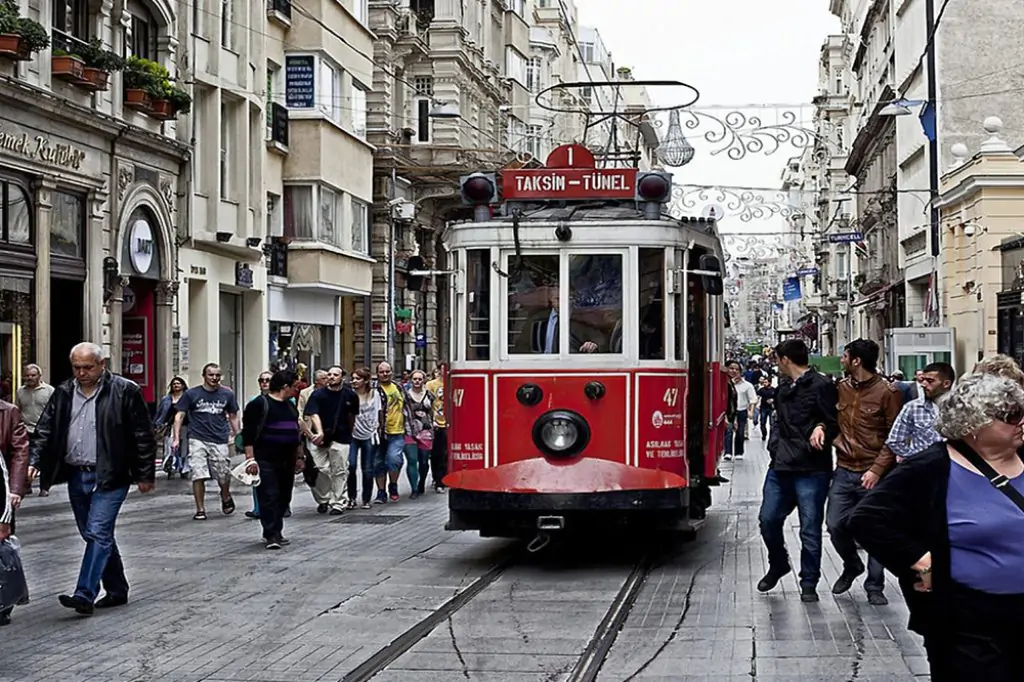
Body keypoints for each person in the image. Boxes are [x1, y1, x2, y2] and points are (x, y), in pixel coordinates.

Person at [851, 372, 1024, 681]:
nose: (1021, 421)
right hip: (967, 621)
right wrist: (921, 561)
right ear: (974, 423)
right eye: (1011, 416)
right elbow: (867, 519)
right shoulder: (932, 467)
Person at [28, 342, 156, 615]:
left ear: (102, 365)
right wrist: (34, 461)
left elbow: (143, 436)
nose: (82, 373)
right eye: (77, 367)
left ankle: (84, 593)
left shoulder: (124, 391)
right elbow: (45, 429)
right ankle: (117, 588)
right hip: (77, 474)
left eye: (87, 367)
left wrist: (145, 474)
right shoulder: (63, 392)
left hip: (111, 474)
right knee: (95, 534)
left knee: (97, 532)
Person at [757, 339, 839, 603]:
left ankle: (809, 582)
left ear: (785, 359)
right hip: (781, 466)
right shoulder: (782, 389)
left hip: (811, 467)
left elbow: (834, 421)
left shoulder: (822, 386)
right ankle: (779, 563)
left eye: (777, 359)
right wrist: (774, 447)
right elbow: (778, 421)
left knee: (810, 528)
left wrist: (822, 427)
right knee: (768, 519)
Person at [829, 339, 904, 605]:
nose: (842, 360)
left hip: (875, 472)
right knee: (835, 524)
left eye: (845, 356)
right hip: (844, 468)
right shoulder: (841, 389)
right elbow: (827, 418)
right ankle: (852, 565)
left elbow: (895, 437)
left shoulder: (888, 392)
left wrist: (876, 469)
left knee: (875, 528)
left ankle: (875, 585)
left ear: (856, 361)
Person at [241, 371, 303, 550]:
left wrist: (300, 456)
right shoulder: (259, 405)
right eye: (294, 386)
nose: (295, 390)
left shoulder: (290, 407)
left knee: (284, 496)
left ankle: (277, 529)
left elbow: (296, 432)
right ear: (285, 387)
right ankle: (271, 533)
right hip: (265, 458)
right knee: (269, 495)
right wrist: (250, 459)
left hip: (287, 459)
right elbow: (249, 434)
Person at [172, 363, 240, 521]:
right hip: (197, 438)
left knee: (223, 474)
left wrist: (238, 435)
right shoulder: (192, 394)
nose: (214, 378)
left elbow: (233, 415)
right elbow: (179, 415)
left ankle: (225, 494)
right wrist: (176, 438)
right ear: (204, 376)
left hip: (219, 439)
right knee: (198, 473)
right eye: (211, 375)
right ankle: (200, 509)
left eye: (217, 375)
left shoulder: (227, 394)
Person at [305, 365, 359, 514]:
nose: (332, 377)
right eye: (329, 374)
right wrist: (319, 431)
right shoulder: (318, 395)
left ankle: (338, 503)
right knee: (319, 468)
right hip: (320, 438)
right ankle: (323, 498)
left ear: (342, 377)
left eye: (336, 374)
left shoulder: (350, 395)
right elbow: (313, 414)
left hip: (342, 437)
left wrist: (349, 432)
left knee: (340, 470)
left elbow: (352, 416)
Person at [886, 362, 954, 461]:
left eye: (930, 381)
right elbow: (894, 441)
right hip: (924, 470)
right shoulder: (912, 408)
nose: (923, 384)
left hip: (954, 469)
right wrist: (916, 458)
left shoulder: (959, 409)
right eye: (922, 380)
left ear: (946, 384)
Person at [0, 393, 29, 625]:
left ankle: (4, 601)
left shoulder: (8, 412)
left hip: (3, 488)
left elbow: (20, 452)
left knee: (2, 544)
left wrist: (16, 490)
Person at [15, 364, 53, 496]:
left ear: (39, 376)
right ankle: (27, 484)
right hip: (26, 430)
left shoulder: (49, 391)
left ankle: (45, 486)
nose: (30, 378)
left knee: (45, 460)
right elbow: (17, 410)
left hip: (44, 431)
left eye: (33, 375)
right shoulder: (20, 391)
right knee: (25, 459)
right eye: (27, 375)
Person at [347, 368, 382, 509]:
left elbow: (379, 412)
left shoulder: (375, 394)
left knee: (367, 468)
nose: (354, 381)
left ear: (366, 380)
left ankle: (366, 498)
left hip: (369, 434)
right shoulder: (349, 395)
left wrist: (379, 430)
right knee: (351, 465)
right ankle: (351, 498)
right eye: (353, 378)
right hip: (352, 434)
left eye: (358, 378)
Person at [402, 369, 435, 499]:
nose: (417, 381)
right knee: (412, 459)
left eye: (420, 379)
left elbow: (434, 410)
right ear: (411, 380)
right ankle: (414, 488)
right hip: (409, 430)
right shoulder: (405, 395)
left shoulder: (429, 395)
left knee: (424, 461)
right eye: (415, 379)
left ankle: (422, 482)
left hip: (426, 431)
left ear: (424, 380)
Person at [153, 377, 189, 479]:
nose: (176, 386)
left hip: (185, 426)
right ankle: (171, 467)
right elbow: (160, 413)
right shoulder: (166, 399)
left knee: (185, 449)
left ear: (183, 385)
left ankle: (184, 468)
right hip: (170, 426)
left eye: (178, 384)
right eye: (174, 384)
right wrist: (157, 424)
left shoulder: (188, 398)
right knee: (170, 447)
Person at [724, 361, 757, 460]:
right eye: (731, 368)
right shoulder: (725, 384)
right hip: (729, 412)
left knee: (740, 432)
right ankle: (728, 452)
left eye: (736, 369)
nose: (734, 371)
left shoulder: (747, 385)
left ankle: (739, 452)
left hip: (741, 411)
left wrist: (751, 411)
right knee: (728, 431)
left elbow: (753, 399)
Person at [425, 364, 448, 493]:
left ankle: (443, 478)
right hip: (436, 423)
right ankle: (437, 479)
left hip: (448, 423)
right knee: (437, 453)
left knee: (446, 453)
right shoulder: (431, 385)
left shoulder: (452, 382)